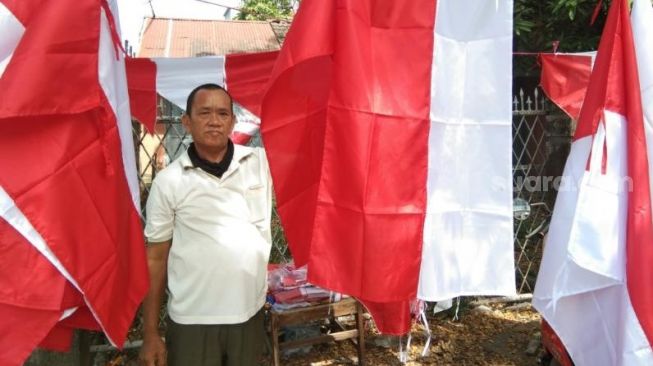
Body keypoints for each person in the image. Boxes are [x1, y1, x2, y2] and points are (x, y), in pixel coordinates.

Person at [138, 83, 272, 366]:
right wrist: (150, 332)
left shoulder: (260, 163)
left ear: (233, 122)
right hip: (193, 320)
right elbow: (155, 257)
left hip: (248, 314)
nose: (214, 121)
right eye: (204, 113)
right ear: (186, 122)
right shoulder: (169, 182)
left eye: (223, 113)